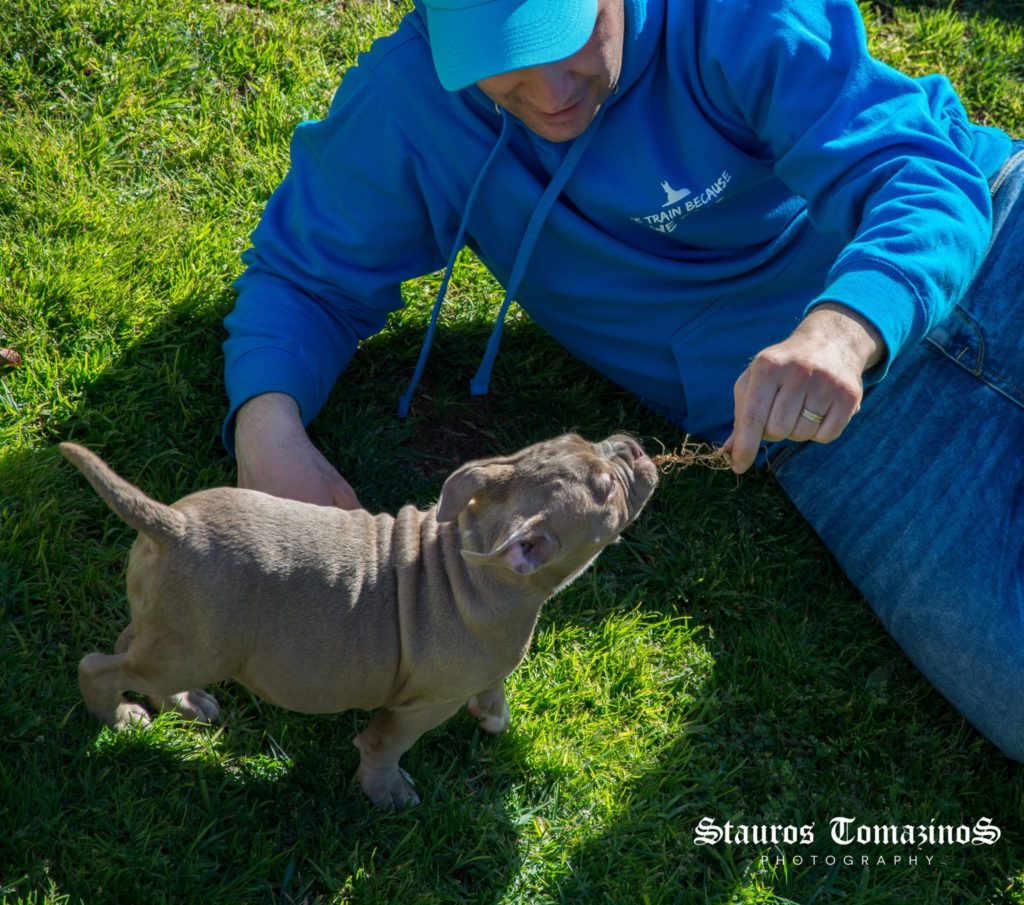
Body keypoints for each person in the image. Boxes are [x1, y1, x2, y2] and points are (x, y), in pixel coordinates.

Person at [222, 0, 1024, 758]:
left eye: (566, 33)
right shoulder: (414, 101)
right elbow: (301, 275)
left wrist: (842, 328)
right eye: (506, 62)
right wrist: (268, 430)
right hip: (829, 437)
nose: (549, 93)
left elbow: (920, 175)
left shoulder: (737, 16)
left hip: (996, 236)